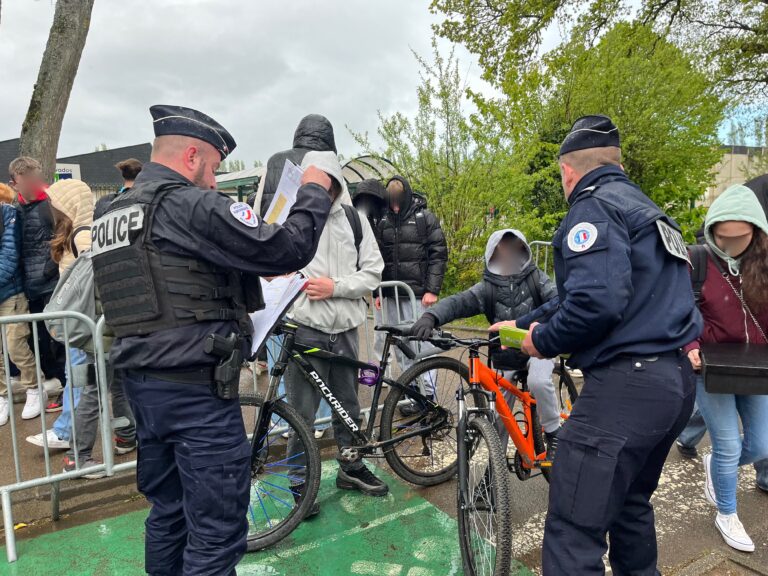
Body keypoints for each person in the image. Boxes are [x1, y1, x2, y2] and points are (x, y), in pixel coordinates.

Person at [89, 104, 332, 576]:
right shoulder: (188, 204)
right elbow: (289, 247)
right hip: (195, 395)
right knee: (217, 535)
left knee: (168, 516)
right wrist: (314, 193)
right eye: (215, 170)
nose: (216, 182)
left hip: (143, 390)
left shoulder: (112, 212)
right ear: (193, 155)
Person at [512, 115, 701, 576]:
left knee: (574, 528)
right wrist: (521, 321)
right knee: (630, 507)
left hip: (625, 390)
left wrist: (541, 341)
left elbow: (595, 304)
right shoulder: (651, 212)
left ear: (567, 171)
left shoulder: (593, 208)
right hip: (674, 382)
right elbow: (602, 294)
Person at [284, 150, 387, 512]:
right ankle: (299, 483)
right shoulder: (292, 217)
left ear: (337, 185)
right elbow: (276, 265)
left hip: (344, 331)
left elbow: (373, 272)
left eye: (327, 184)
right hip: (305, 329)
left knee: (348, 405)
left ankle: (351, 465)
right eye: (314, 182)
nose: (321, 191)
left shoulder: (355, 221)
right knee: (301, 412)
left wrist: (335, 286)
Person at [411, 229, 561, 458]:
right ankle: (495, 465)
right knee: (499, 413)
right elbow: (459, 302)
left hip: (539, 347)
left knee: (539, 382)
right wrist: (431, 317)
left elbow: (557, 301)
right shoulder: (487, 287)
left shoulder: (536, 278)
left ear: (522, 249)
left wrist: (542, 329)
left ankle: (553, 433)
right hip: (505, 355)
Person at [682, 184, 768, 552]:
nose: (730, 244)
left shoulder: (763, 262)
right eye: (722, 236)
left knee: (761, 442)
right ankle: (727, 513)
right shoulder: (696, 261)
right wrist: (690, 347)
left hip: (756, 367)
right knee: (730, 445)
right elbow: (680, 312)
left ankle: (717, 465)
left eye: (740, 237)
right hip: (710, 367)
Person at [25, 179, 93, 451]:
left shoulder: (83, 236)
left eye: (55, 204)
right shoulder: (74, 232)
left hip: (81, 321)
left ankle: (66, 432)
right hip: (76, 319)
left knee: (78, 377)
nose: (50, 209)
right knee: (79, 377)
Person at [372, 176, 447, 390]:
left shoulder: (425, 218)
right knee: (400, 345)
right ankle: (410, 389)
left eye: (398, 200)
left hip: (417, 295)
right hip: (391, 295)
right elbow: (377, 259)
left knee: (421, 343)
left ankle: (429, 392)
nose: (394, 206)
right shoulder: (383, 221)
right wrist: (378, 292)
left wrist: (432, 290)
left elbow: (439, 254)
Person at [8, 157, 66, 417]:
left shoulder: (52, 205)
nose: (32, 186)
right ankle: (52, 379)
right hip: (27, 286)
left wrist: (49, 269)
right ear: (15, 183)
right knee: (39, 338)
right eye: (26, 182)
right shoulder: (15, 209)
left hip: (50, 283)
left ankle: (65, 386)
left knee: (58, 338)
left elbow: (62, 238)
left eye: (35, 179)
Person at [0, 182, 39, 425]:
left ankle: (34, 388)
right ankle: (2, 395)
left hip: (10, 293)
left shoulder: (9, 215)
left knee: (16, 345)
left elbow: (10, 254)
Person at [251, 113, 336, 217]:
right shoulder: (330, 166)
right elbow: (342, 213)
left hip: (274, 230)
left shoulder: (274, 162)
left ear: (298, 134)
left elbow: (257, 210)